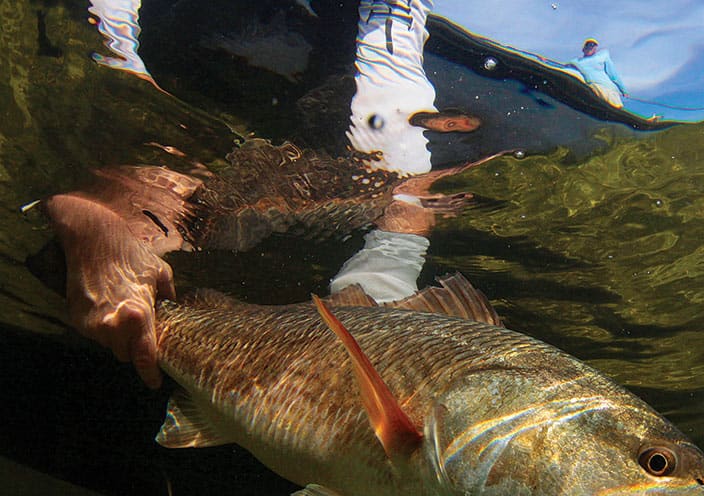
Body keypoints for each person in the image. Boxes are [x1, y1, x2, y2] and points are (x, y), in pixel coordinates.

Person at [45, 0, 481, 389]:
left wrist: (373, 312)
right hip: (180, 52)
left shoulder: (388, 48)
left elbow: (405, 198)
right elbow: (116, 84)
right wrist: (102, 229)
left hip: (331, 89)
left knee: (390, 183)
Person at [570, 38, 628, 109]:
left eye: (593, 46)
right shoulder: (576, 62)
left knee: (613, 104)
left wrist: (623, 90)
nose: (590, 48)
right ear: (583, 49)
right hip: (590, 87)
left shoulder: (601, 57)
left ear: (595, 49)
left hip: (606, 88)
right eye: (588, 46)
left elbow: (613, 75)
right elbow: (568, 69)